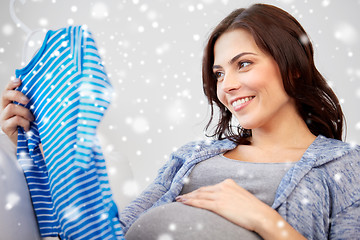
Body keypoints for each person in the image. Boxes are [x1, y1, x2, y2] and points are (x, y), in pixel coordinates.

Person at [1, 3, 359, 240]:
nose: (228, 85)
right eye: (218, 73)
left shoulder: (346, 166)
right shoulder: (191, 156)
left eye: (244, 64)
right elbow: (111, 231)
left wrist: (266, 220)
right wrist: (32, 151)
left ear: (293, 68)